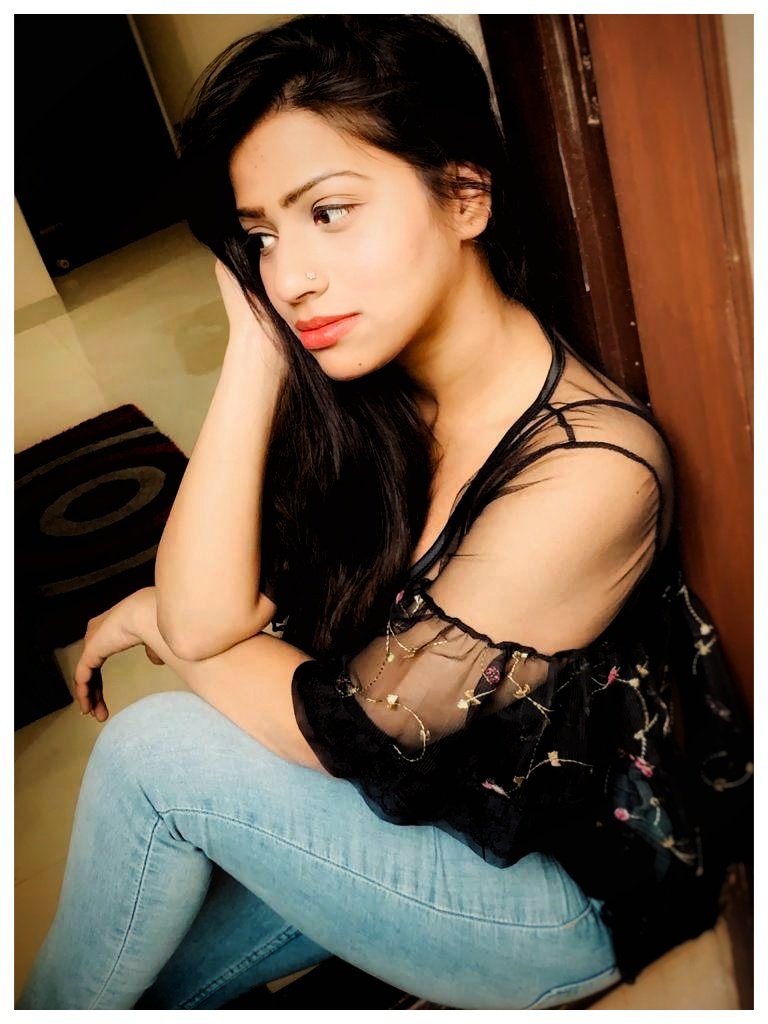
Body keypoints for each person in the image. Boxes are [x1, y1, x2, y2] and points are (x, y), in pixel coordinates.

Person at [18, 14, 752, 1010]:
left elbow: (344, 732)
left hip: (556, 896)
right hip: (421, 816)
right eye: (264, 237)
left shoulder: (593, 470)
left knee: (155, 755)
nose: (291, 278)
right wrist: (253, 357)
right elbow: (213, 611)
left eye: (330, 212)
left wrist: (161, 623)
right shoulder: (373, 396)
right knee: (141, 980)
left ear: (466, 196)